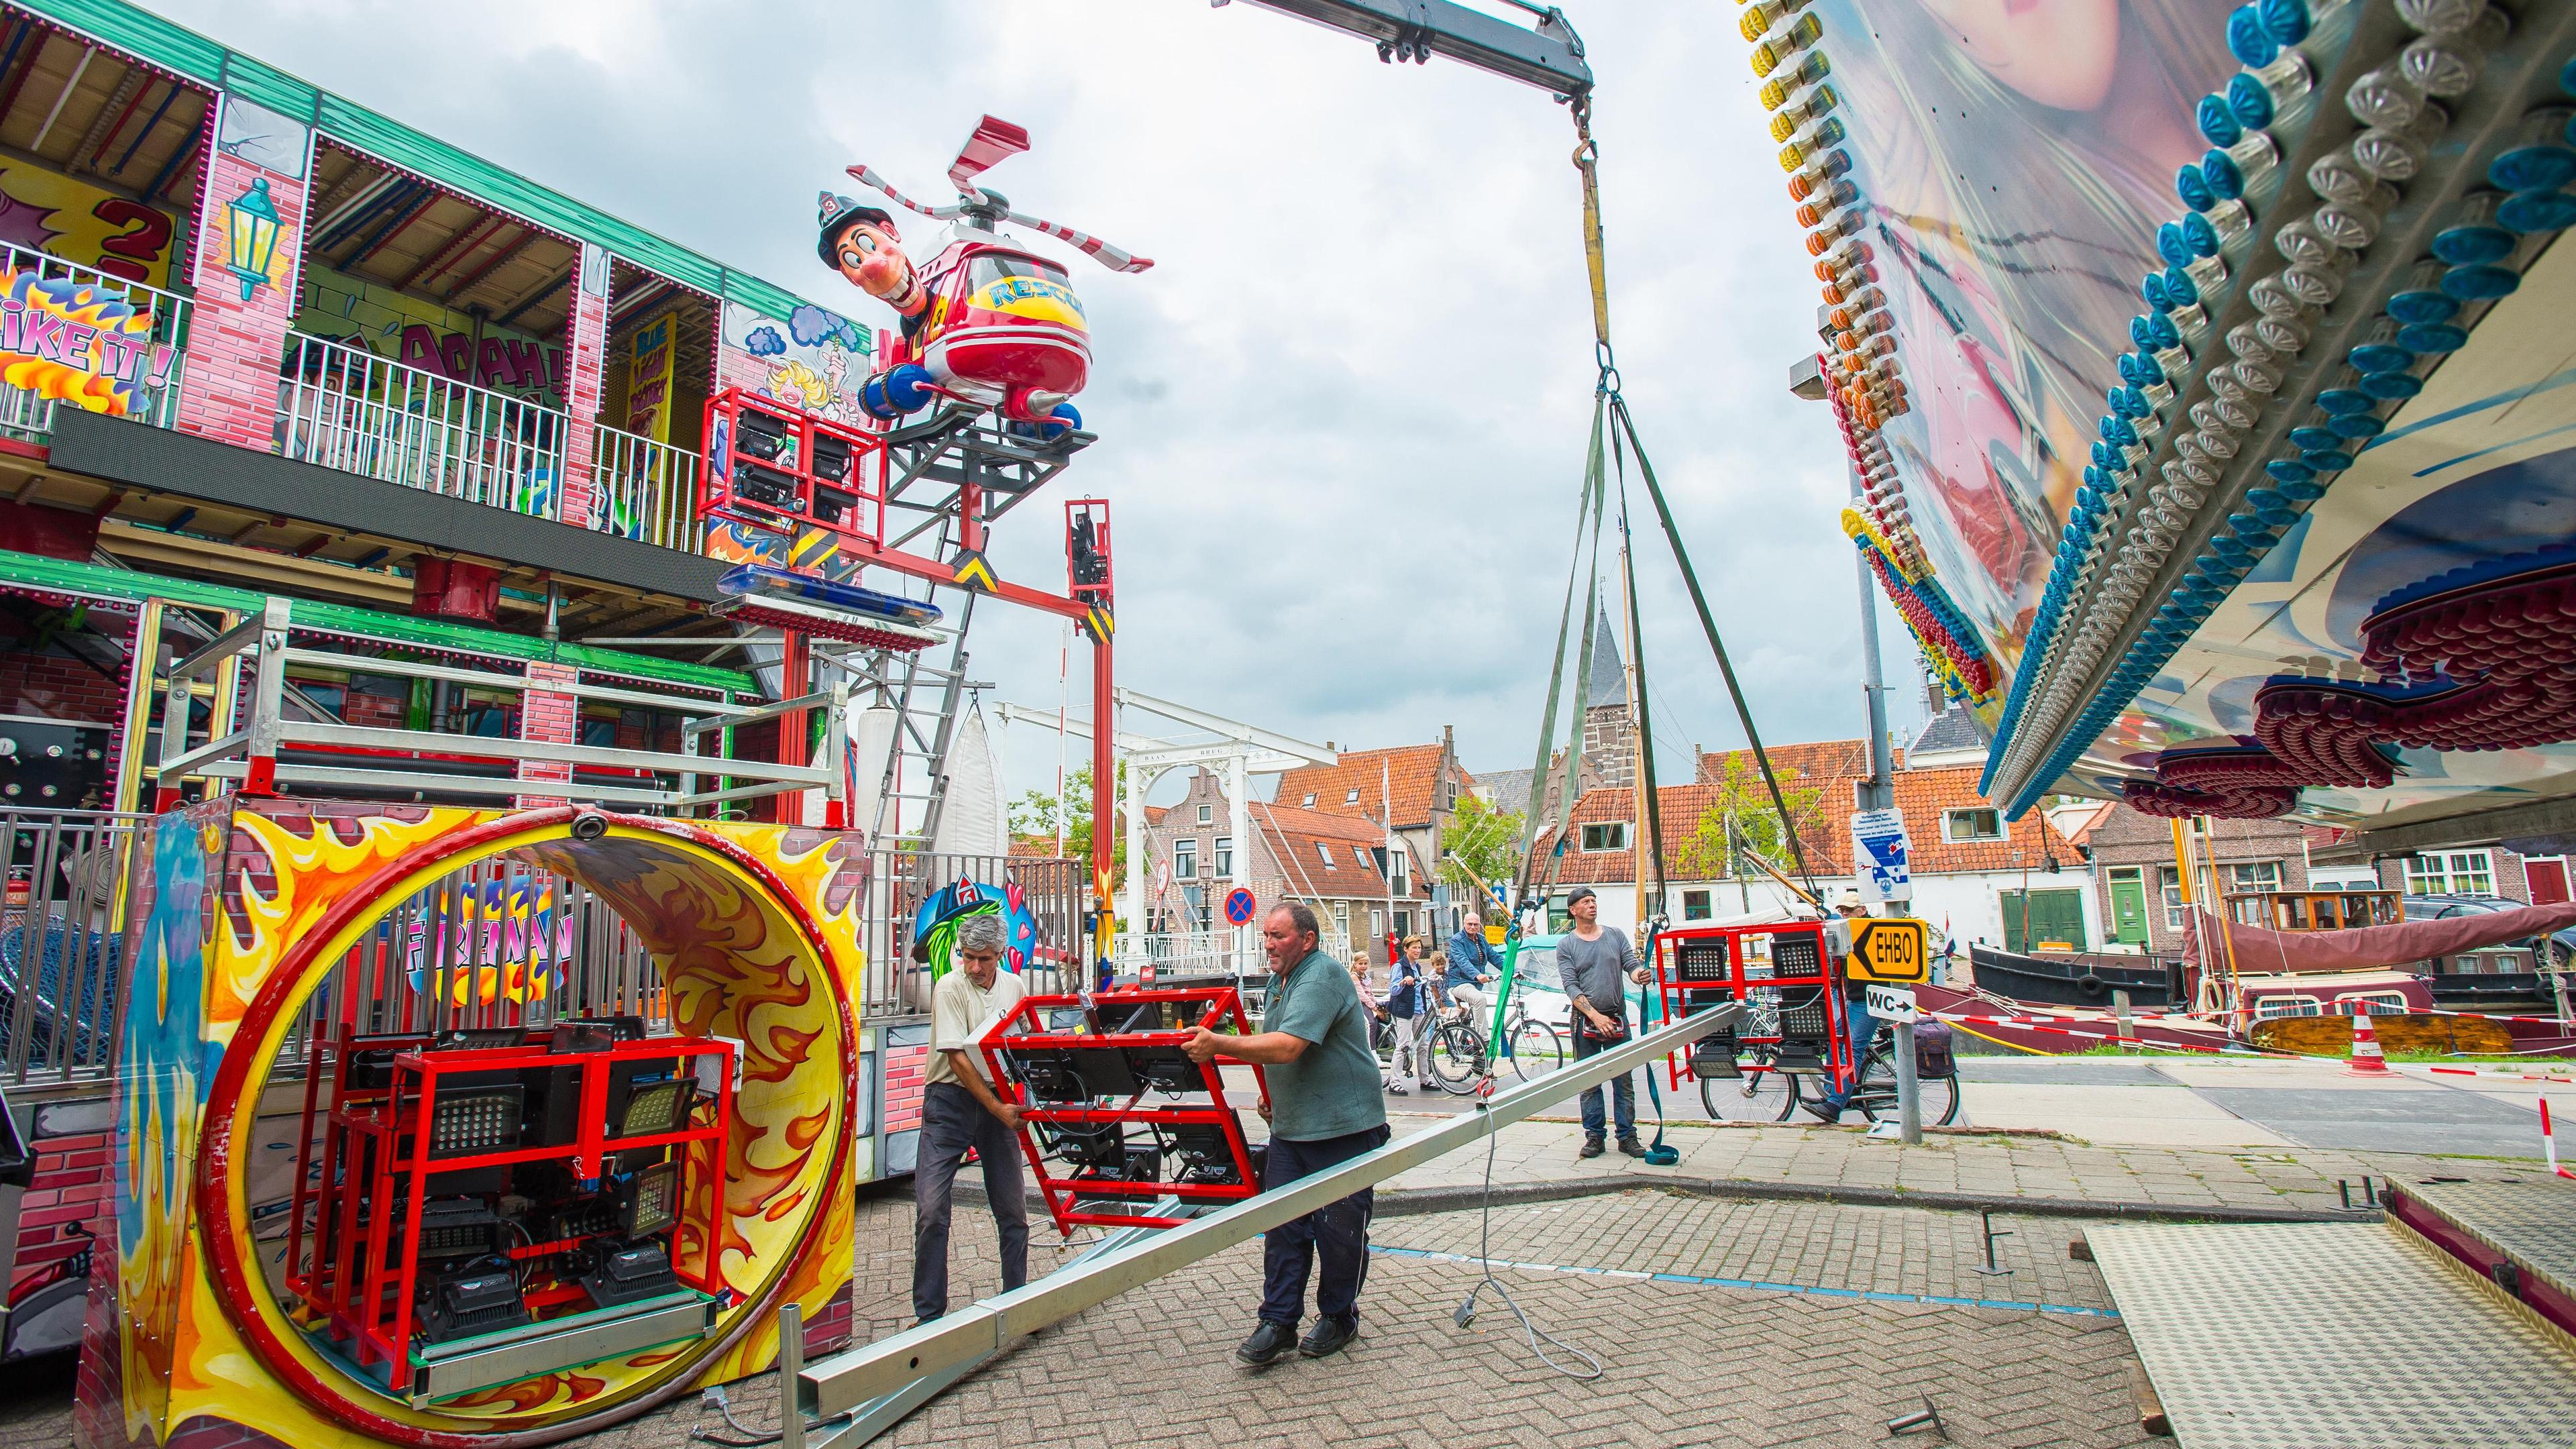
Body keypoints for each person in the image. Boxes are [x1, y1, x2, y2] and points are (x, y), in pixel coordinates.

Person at [1183, 904, 1390, 1366]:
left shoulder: (1321, 977)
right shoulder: (1280, 982)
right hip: (1293, 1130)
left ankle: (1339, 1316)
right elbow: (1278, 1053)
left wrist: (1218, 1043)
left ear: (1307, 940)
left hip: (1343, 1130)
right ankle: (1277, 1322)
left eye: (1278, 936)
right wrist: (1272, 1095)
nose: (1268, 944)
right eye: (1266, 936)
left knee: (1340, 1232)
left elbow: (1289, 1045)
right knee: (1282, 1229)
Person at [912, 910, 1030, 1324]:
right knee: (931, 1207)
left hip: (997, 1097)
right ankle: (929, 1316)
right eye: (968, 957)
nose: (975, 967)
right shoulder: (949, 987)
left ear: (1001, 953)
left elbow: (1020, 1045)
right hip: (950, 1100)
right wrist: (997, 1108)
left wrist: (1023, 1099)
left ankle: (1016, 1302)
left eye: (984, 958)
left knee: (1013, 1207)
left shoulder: (1014, 986)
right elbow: (957, 1058)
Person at [1555, 886, 1651, 1160]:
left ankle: (1627, 1136)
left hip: (1617, 1017)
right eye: (1586, 902)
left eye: (1594, 901)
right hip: (1586, 1021)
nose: (1592, 905)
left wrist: (1639, 974)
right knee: (1590, 1081)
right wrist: (1595, 1016)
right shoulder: (1567, 946)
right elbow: (1571, 986)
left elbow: (1630, 965)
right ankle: (1595, 1136)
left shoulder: (1615, 935)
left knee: (1624, 1079)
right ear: (1573, 910)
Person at [1805, 890, 1882, 1122]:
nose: (1845, 914)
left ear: (1863, 911)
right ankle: (1833, 1095)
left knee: (1852, 1048)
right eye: (1842, 911)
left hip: (1871, 999)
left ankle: (1835, 1105)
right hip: (1855, 997)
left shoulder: (1870, 930)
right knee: (1834, 1040)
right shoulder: (1848, 933)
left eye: (1850, 911)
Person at [1381, 936, 1430, 1094]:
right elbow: (1393, 990)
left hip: (1419, 1009)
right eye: (1414, 948)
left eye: (1419, 948)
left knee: (1423, 1046)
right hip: (1404, 1011)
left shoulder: (1418, 967)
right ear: (1406, 949)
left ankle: (1425, 1079)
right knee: (1402, 1046)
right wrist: (1403, 982)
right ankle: (1394, 1083)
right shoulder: (1399, 966)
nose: (1417, 951)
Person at [1444, 912, 1504, 1033]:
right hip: (1459, 983)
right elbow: (1462, 961)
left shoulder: (1481, 939)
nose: (1473, 927)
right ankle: (1483, 1039)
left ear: (1479, 925)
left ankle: (1468, 1042)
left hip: (1475, 984)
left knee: (1475, 1012)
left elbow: (1494, 956)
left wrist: (1512, 969)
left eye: (1476, 924)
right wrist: (1477, 975)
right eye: (1470, 924)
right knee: (1479, 999)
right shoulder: (1457, 940)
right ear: (1464, 924)